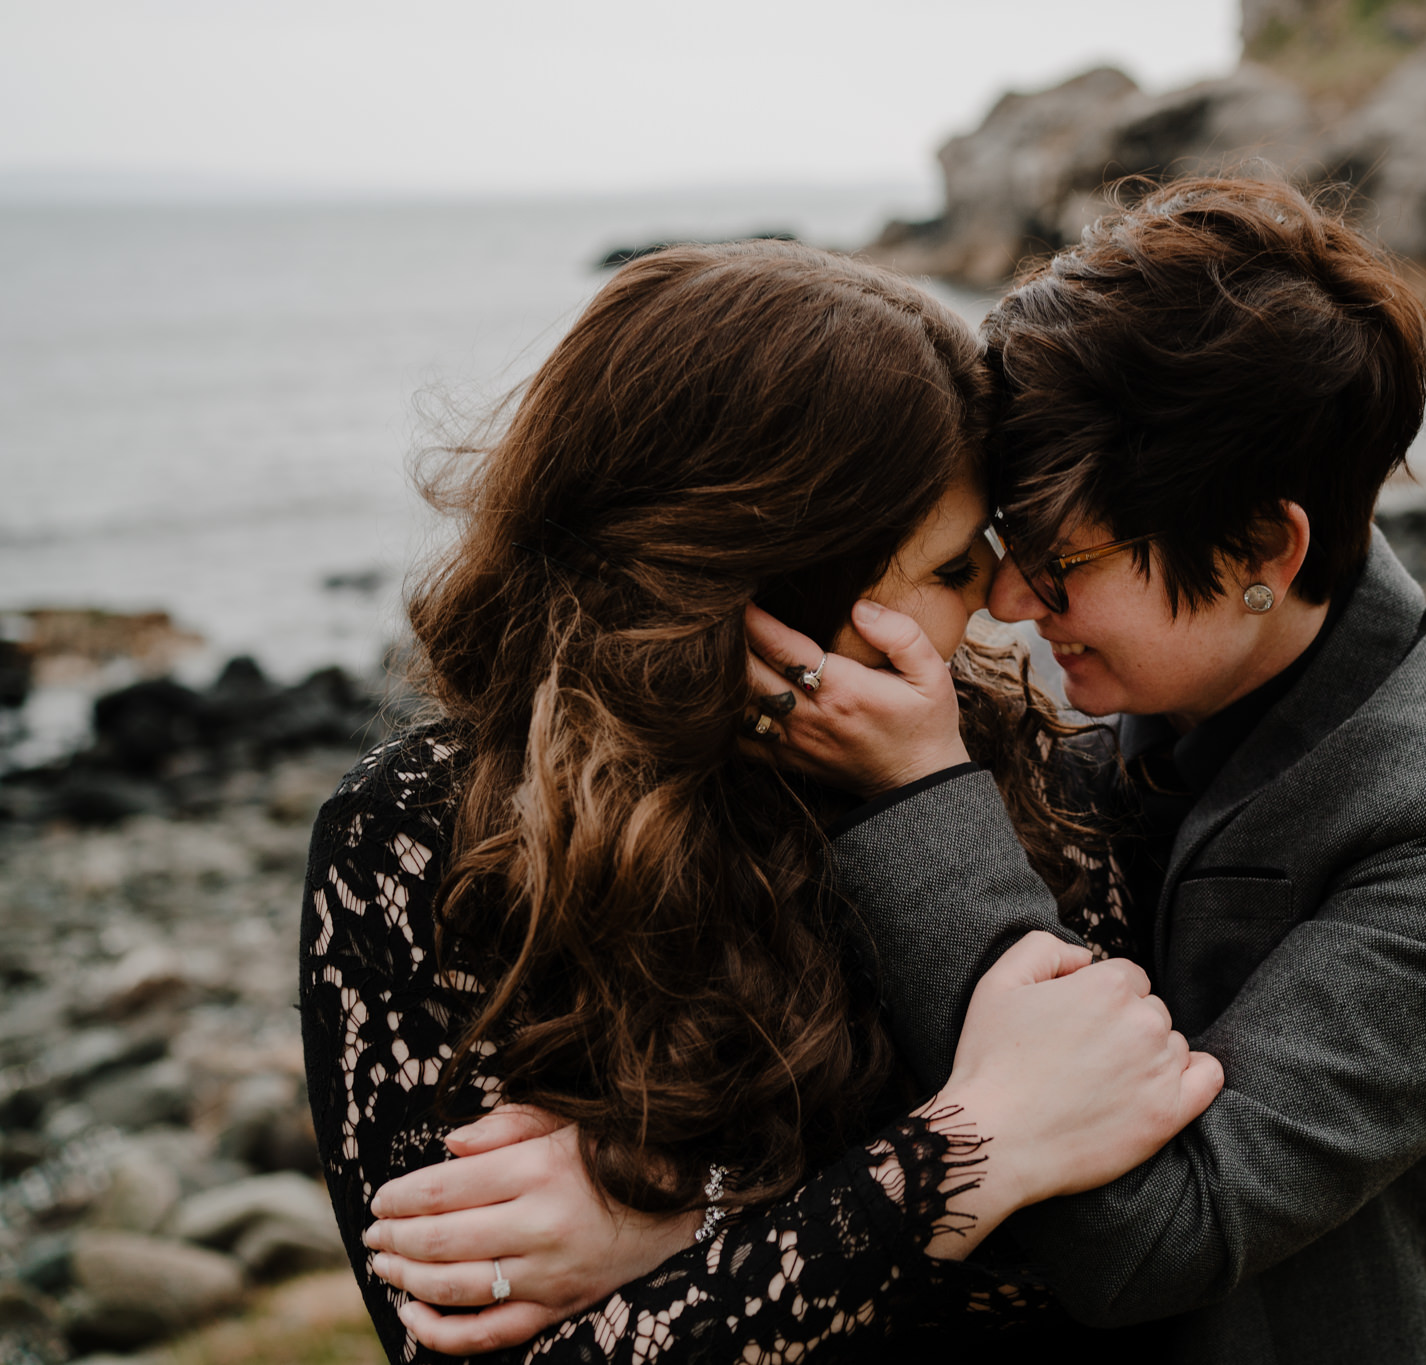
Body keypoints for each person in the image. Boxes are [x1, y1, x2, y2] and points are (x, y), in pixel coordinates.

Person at [375, 176, 1426, 1363]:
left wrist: (687, 1227)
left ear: (1262, 546)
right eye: (998, 548)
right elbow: (984, 1122)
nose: (1014, 606)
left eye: (1064, 563)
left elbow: (1148, 1230)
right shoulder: (1079, 708)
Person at [298, 238, 1223, 1363]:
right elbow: (472, 1346)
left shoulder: (999, 765)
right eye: (945, 570)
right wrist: (967, 1151)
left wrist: (673, 1230)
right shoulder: (415, 835)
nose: (998, 606)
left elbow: (1109, 1255)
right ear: (764, 576)